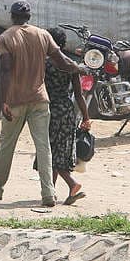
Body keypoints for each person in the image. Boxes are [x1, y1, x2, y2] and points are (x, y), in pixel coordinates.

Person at [0, 1, 85, 208]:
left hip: (16, 100)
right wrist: (80, 68)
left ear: (11, 16)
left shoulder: (5, 38)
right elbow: (62, 61)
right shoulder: (43, 35)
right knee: (44, 146)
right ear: (29, 17)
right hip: (40, 100)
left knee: (7, 146)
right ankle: (48, 193)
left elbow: (5, 69)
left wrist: (4, 100)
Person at [45, 27, 90, 205]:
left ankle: (72, 184)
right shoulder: (71, 65)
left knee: (49, 152)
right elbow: (79, 95)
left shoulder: (45, 64)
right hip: (67, 111)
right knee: (59, 152)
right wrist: (86, 117)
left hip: (49, 110)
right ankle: (51, 191)